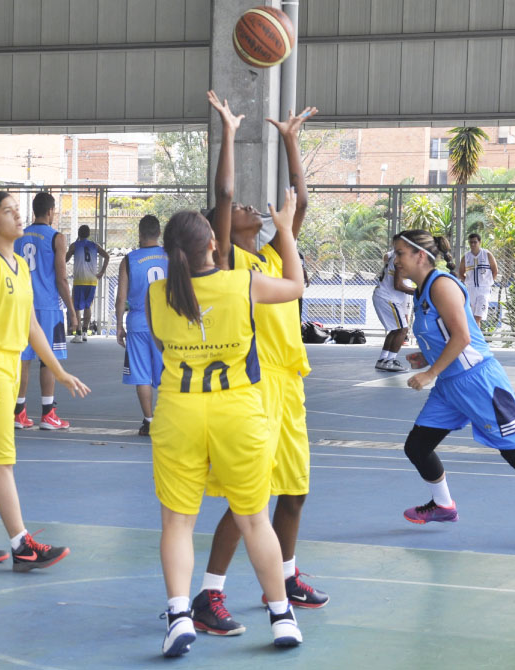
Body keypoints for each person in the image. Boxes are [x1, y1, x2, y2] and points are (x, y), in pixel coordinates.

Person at [149, 187, 305, 656]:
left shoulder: (159, 293)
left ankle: (179, 616)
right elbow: (296, 288)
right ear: (213, 245)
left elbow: (162, 346)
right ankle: (281, 618)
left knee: (178, 521)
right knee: (254, 518)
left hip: (179, 411)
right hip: (237, 412)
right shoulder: (243, 283)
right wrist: (285, 231)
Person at [193, 95, 326, 641]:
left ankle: (287, 577)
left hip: (289, 383)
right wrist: (229, 132)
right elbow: (223, 196)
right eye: (242, 210)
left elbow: (302, 204)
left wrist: (292, 140)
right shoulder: (229, 259)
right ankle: (210, 591)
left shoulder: (274, 255)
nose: (251, 206)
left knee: (293, 491)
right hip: (254, 384)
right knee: (250, 497)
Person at [394, 230, 515, 555]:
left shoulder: (441, 285)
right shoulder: (421, 292)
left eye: (400, 253)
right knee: (417, 446)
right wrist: (425, 356)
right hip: (450, 386)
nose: (395, 259)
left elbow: (463, 338)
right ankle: (444, 506)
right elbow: (445, 337)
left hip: (478, 383)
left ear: (419, 255)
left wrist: (430, 371)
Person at [0, 191, 90, 573]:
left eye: (16, 210)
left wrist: (57, 371)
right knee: (1, 461)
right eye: (7, 211)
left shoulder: (18, 266)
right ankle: (22, 546)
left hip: (7, 365)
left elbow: (30, 325)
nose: (17, 216)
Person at [14, 192, 80, 430]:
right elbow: (61, 278)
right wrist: (72, 311)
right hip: (47, 306)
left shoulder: (18, 236)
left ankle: (18, 412)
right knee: (48, 360)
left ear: (34, 210)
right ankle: (48, 413)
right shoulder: (57, 237)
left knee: (23, 358)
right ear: (51, 211)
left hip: (21, 304)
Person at [114, 215, 167, 436]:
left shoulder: (129, 260)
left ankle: (149, 421)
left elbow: (121, 297)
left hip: (138, 323)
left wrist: (119, 325)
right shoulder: (170, 256)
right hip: (165, 324)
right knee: (167, 375)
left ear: (139, 234)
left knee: (142, 375)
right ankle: (168, 420)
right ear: (159, 233)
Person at [372, 237, 416, 372]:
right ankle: (390, 361)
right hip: (387, 298)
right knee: (402, 329)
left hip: (384, 296)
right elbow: (398, 286)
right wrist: (418, 292)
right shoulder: (399, 259)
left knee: (396, 329)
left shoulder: (395, 256)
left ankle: (383, 359)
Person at [67, 224, 109, 342]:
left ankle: (78, 333)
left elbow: (64, 259)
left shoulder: (75, 246)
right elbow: (107, 256)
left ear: (78, 234)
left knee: (76, 306)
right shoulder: (95, 246)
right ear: (89, 234)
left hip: (80, 279)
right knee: (88, 306)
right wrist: (101, 272)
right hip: (92, 280)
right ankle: (85, 332)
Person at [457, 233, 497, 327]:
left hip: (484, 290)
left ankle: (477, 340)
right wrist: (468, 282)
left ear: (480, 242)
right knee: (470, 317)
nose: (473, 244)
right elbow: (461, 272)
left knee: (478, 317)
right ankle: (473, 338)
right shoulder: (466, 257)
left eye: (475, 242)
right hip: (471, 289)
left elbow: (495, 271)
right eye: (471, 242)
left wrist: (488, 283)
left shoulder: (487, 254)